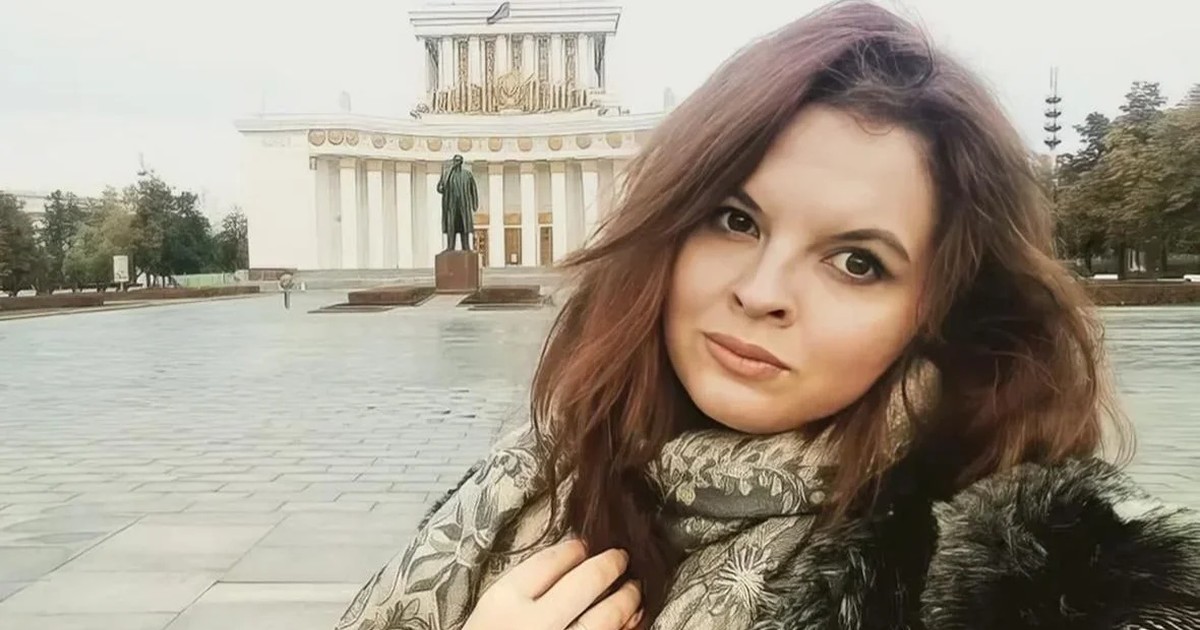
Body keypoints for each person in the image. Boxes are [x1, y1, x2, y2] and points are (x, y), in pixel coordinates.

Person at [336, 3, 1200, 629]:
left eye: (857, 262)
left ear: (941, 310)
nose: (762, 291)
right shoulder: (541, 469)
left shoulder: (1034, 582)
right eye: (735, 219)